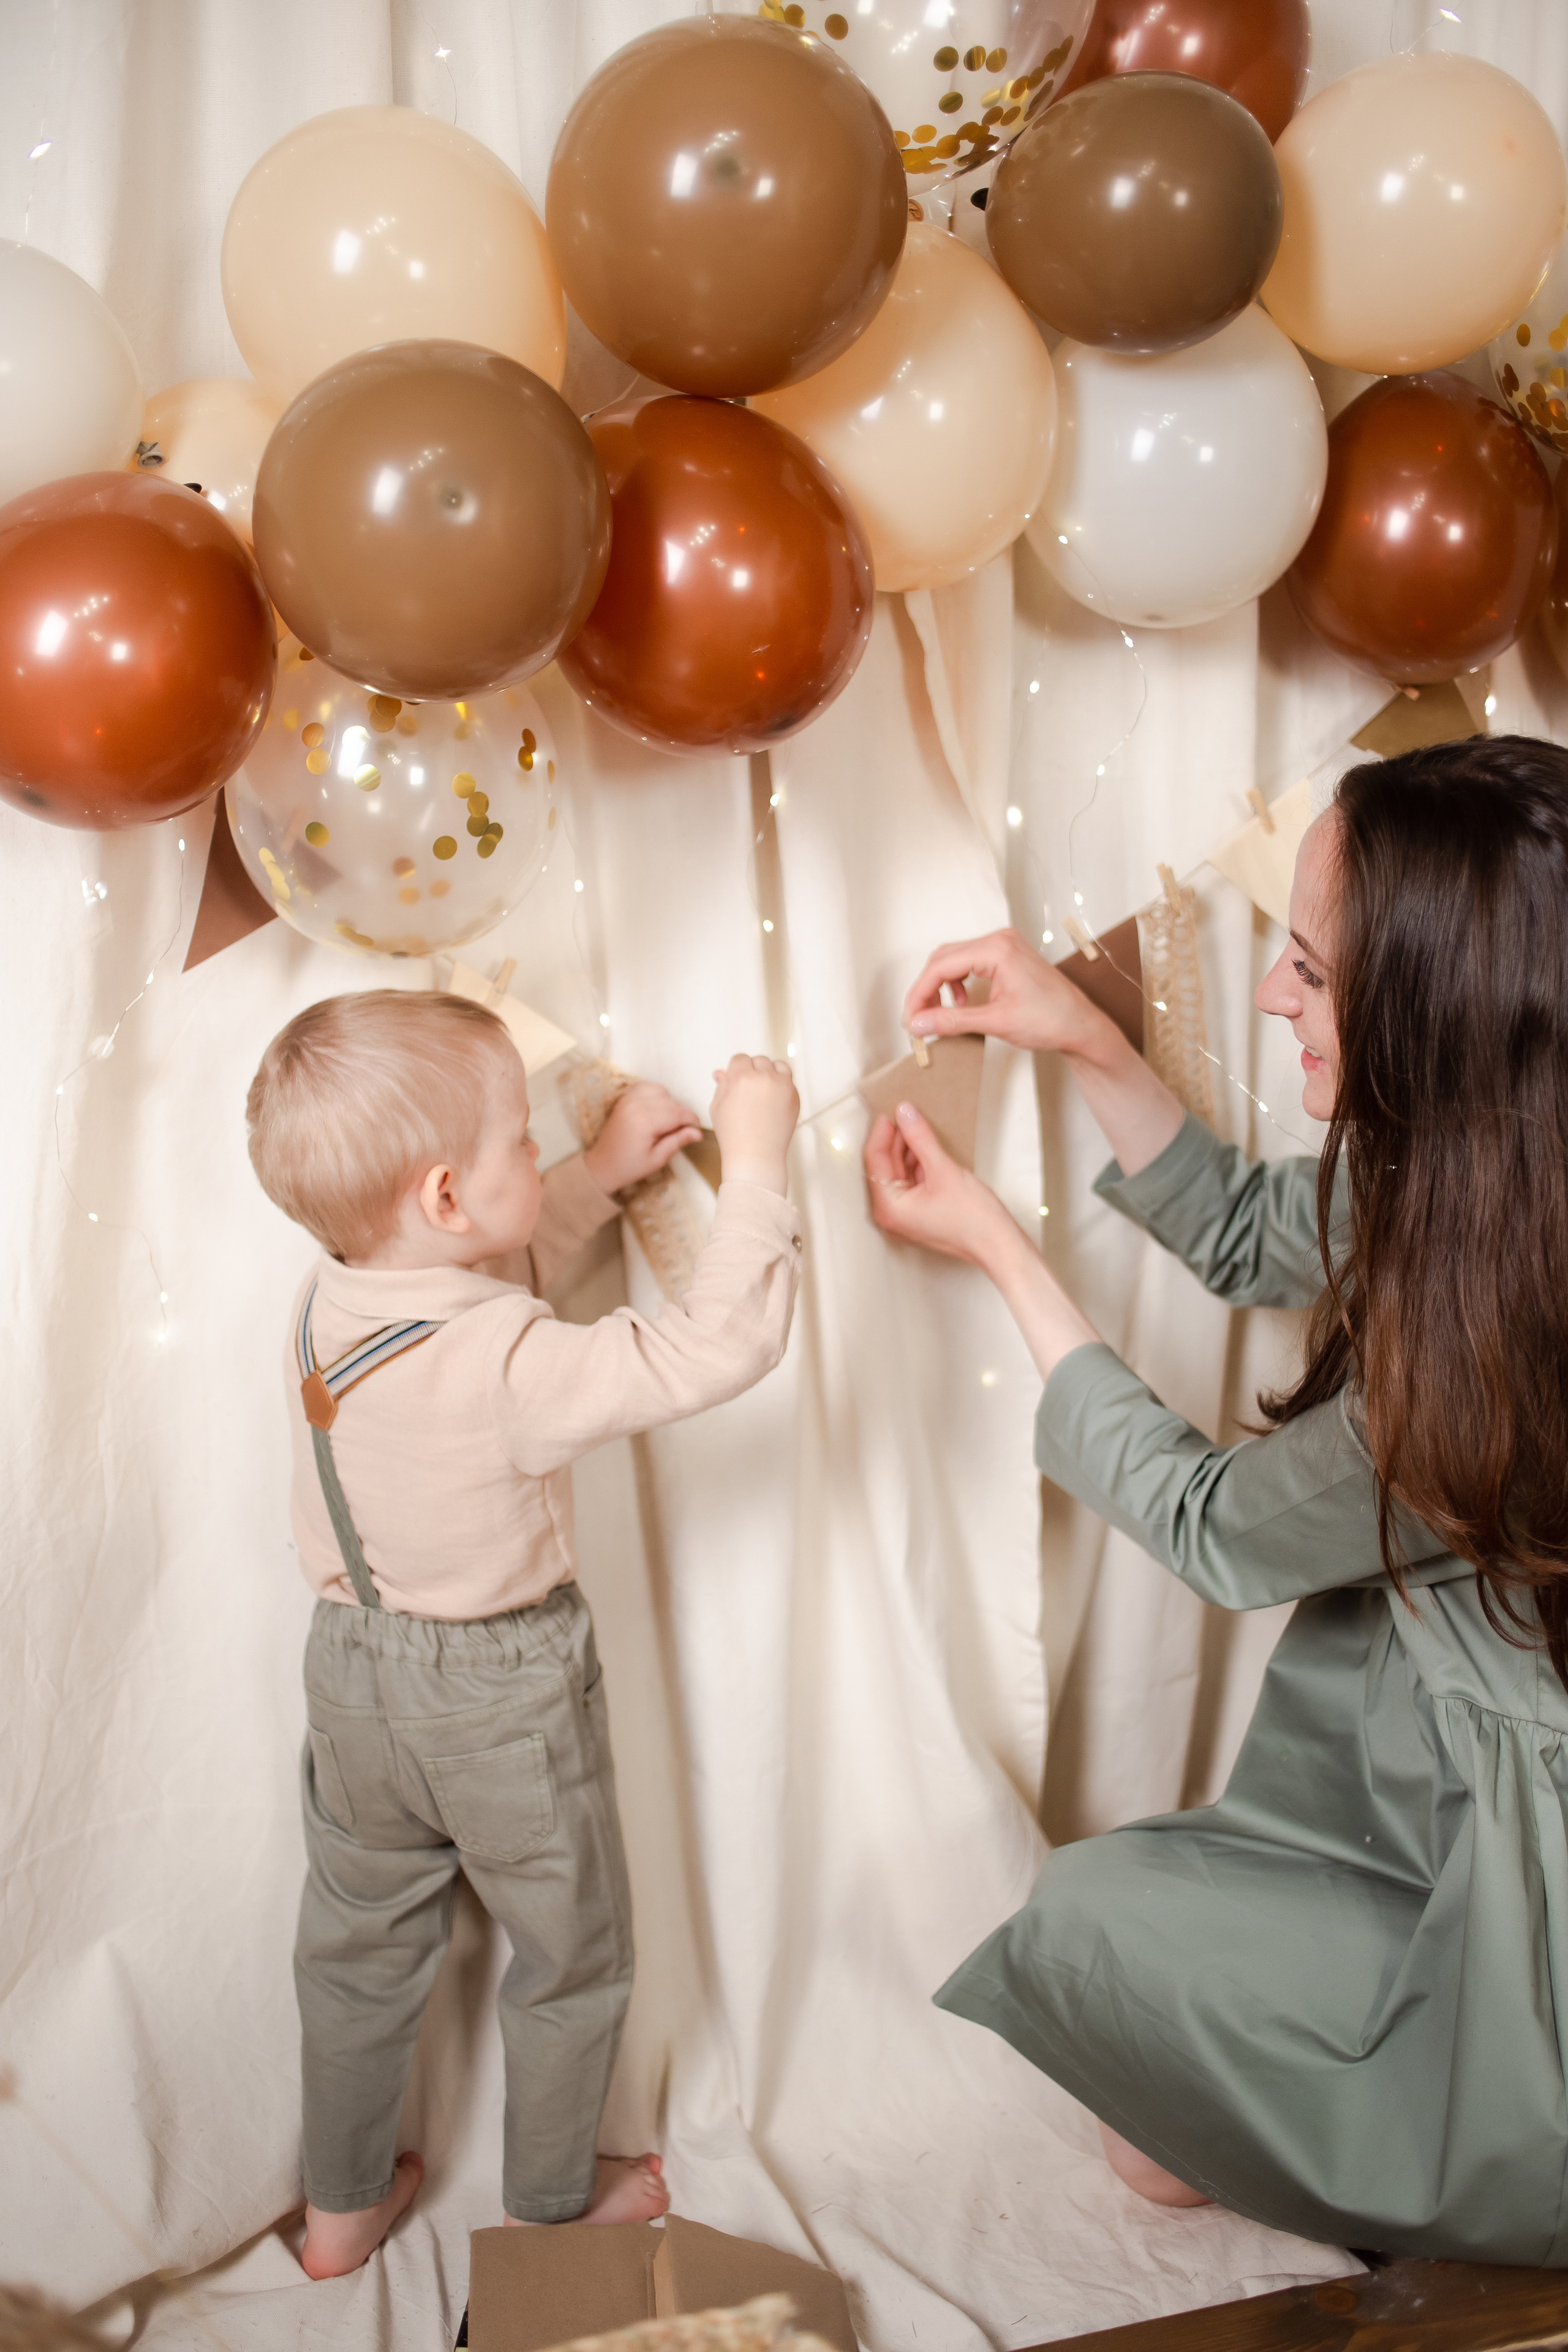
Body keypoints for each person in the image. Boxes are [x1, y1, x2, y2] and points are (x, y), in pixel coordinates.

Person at [864, 736, 1568, 2264]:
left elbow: (1211, 1528)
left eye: (1307, 971)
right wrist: (1084, 1040)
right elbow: (1259, 1233)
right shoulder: (1505, 1171)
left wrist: (995, 1249)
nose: (1265, 996)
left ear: (1435, 1011)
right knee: (1130, 2037)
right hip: (1393, 1795)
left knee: (1112, 2021)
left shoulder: (1490, 1352)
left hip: (1502, 1870)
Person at [246, 991, 801, 2278]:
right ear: (446, 1195)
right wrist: (757, 1161)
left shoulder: (327, 1300)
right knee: (570, 1955)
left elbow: (457, 1280)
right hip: (498, 1693)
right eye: (519, 1139)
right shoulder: (509, 1362)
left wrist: (594, 1177)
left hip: (349, 1673)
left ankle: (339, 2208)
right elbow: (714, 1346)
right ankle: (548, 2207)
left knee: (356, 1951)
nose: (534, 1148)